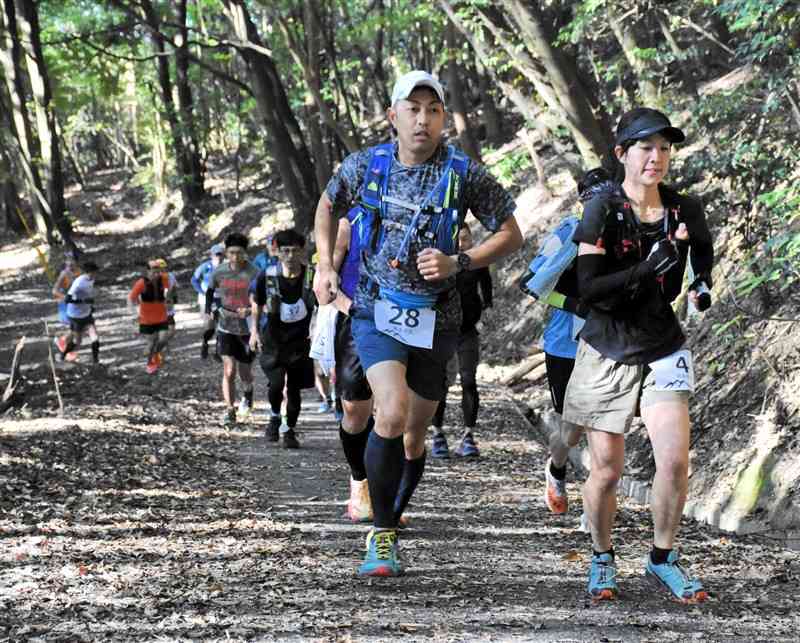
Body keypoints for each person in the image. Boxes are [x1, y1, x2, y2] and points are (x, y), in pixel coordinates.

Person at [314, 70, 522, 577]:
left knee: (414, 433)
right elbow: (326, 204)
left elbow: (511, 233)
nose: (422, 119)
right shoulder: (366, 164)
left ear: (444, 118)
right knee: (390, 409)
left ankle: (393, 508)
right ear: (393, 116)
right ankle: (381, 536)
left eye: (432, 109)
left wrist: (461, 262)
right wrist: (324, 265)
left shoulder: (463, 172)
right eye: (413, 108)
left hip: (438, 317)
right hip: (376, 309)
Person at [562, 107, 714, 603]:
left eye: (666, 148)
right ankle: (603, 556)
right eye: (646, 147)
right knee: (607, 469)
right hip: (606, 347)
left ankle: (662, 558)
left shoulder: (683, 209)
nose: (657, 158)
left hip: (662, 346)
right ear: (622, 154)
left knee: (674, 461)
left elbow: (703, 252)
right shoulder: (602, 210)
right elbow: (589, 288)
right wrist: (646, 270)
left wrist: (701, 286)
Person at [429, 224, 492, 459]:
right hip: (442, 332)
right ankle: (438, 433)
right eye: (458, 240)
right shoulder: (438, 263)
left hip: (467, 331)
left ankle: (468, 436)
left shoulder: (477, 262)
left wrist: (486, 309)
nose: (462, 244)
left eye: (466, 239)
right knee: (440, 384)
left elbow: (486, 288)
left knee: (468, 380)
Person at [250, 229, 316, 449]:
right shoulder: (266, 275)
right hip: (273, 339)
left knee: (294, 388)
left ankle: (289, 429)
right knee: (276, 384)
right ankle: (275, 415)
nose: (290, 256)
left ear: (302, 251)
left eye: (294, 251)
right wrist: (253, 332)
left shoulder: (311, 275)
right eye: (285, 251)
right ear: (277, 252)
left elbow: (323, 304)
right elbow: (256, 304)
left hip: (300, 339)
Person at [206, 233, 258, 427]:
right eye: (232, 253)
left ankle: (248, 392)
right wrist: (210, 309)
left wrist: (251, 310)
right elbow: (210, 291)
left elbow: (264, 298)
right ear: (226, 253)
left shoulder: (254, 272)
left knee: (245, 372)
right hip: (225, 326)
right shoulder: (219, 271)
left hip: (247, 328)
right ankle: (229, 410)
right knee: (229, 371)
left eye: (239, 253)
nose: (235, 257)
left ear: (245, 253)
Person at [128, 259, 172, 374]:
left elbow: (167, 290)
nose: (157, 274)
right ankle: (150, 363)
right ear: (148, 271)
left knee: (163, 339)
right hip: (147, 319)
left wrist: (167, 299)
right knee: (151, 343)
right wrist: (133, 314)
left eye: (158, 271)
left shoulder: (164, 279)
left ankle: (155, 355)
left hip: (161, 316)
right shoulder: (142, 282)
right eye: (154, 271)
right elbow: (131, 298)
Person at [54, 261, 100, 364]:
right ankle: (62, 355)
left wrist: (91, 305)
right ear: (89, 272)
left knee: (95, 338)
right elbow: (68, 299)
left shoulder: (91, 280)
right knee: (78, 342)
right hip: (76, 316)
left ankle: (96, 362)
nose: (96, 275)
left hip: (87, 313)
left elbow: (88, 294)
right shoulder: (79, 282)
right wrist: (83, 301)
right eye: (95, 273)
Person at [191, 244, 224, 360]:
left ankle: (218, 351)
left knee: (222, 325)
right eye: (216, 255)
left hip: (221, 298)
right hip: (206, 299)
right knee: (209, 325)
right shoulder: (205, 267)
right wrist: (202, 291)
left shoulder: (227, 267)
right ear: (211, 255)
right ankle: (205, 342)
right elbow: (194, 280)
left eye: (220, 254)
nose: (219, 257)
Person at [52, 250, 81, 361]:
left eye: (72, 260)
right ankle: (64, 343)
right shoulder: (64, 274)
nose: (70, 263)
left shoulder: (79, 273)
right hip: (65, 304)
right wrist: (64, 297)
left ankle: (65, 346)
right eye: (68, 260)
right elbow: (54, 290)